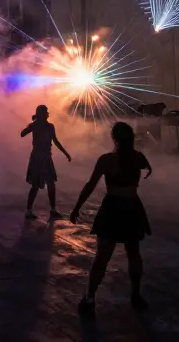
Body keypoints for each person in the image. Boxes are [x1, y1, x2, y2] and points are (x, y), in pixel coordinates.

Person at [69, 121, 152, 311]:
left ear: (114, 138)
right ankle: (136, 295)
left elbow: (90, 185)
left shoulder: (107, 160)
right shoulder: (138, 157)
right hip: (132, 206)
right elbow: (148, 168)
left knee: (102, 256)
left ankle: (90, 298)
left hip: (113, 207)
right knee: (134, 253)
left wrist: (76, 208)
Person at [20, 105, 72, 220]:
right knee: (35, 185)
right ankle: (29, 210)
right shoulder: (35, 125)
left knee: (51, 183)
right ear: (41, 114)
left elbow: (55, 141)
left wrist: (65, 153)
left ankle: (53, 209)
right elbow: (22, 134)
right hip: (37, 158)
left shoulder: (50, 126)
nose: (47, 114)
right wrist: (31, 126)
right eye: (45, 112)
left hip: (46, 158)